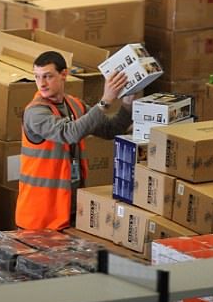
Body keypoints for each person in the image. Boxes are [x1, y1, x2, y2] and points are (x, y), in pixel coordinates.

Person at [15, 50, 135, 231]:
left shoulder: (75, 105)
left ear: (64, 74)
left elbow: (111, 130)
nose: (42, 83)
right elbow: (69, 133)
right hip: (39, 218)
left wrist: (128, 102)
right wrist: (105, 101)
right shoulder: (35, 112)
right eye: (37, 77)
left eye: (48, 76)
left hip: (68, 211)